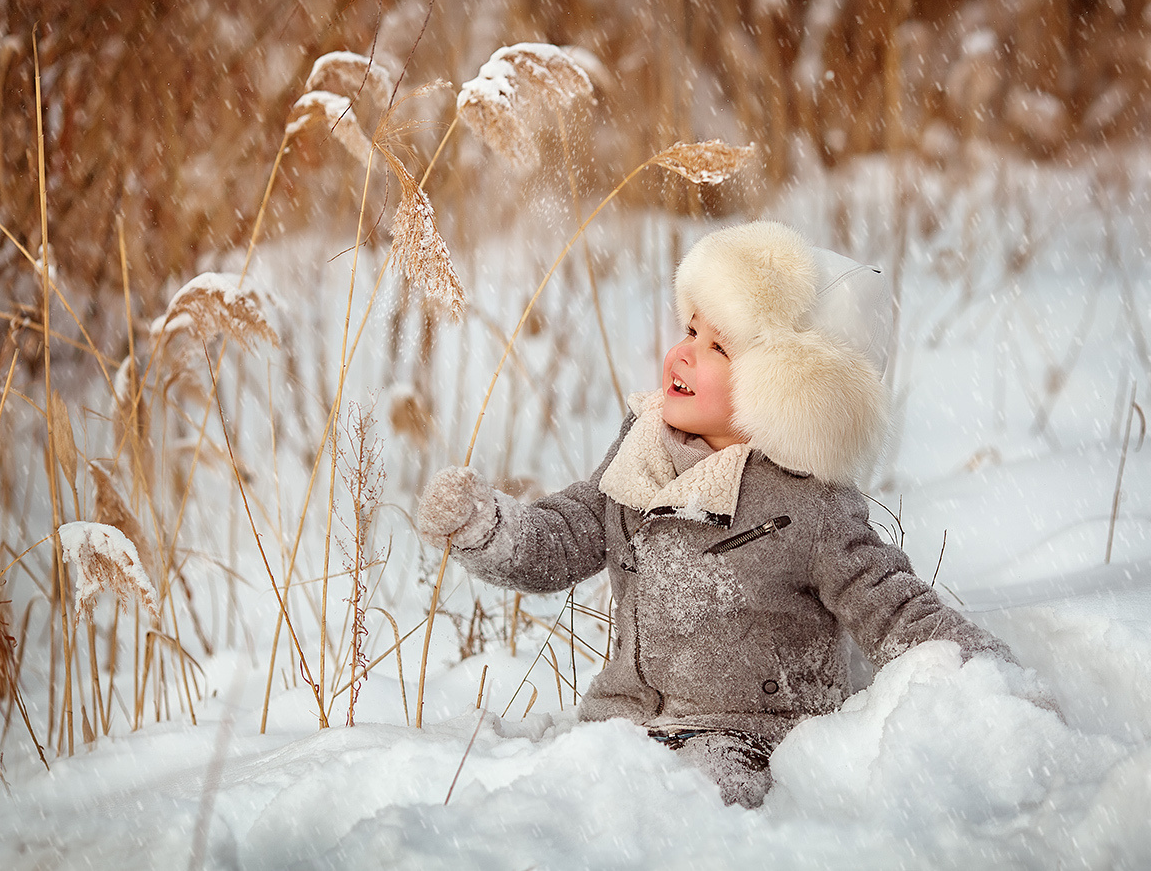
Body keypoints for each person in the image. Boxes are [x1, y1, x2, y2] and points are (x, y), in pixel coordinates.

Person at [416, 220, 1019, 809]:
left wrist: (988, 682)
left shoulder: (810, 505)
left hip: (745, 739)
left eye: (717, 346)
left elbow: (891, 606)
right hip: (620, 724)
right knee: (554, 805)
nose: (683, 353)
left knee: (680, 811)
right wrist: (487, 528)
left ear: (781, 390)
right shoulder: (642, 450)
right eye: (690, 328)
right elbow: (568, 532)